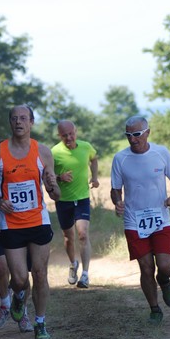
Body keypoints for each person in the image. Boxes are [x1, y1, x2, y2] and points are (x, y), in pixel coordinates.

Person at [0, 105, 60, 339]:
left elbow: (54, 194)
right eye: (14, 119)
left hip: (38, 220)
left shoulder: (43, 152)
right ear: (10, 123)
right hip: (11, 223)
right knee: (19, 279)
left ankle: (40, 323)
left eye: (23, 118)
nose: (19, 122)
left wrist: (54, 185)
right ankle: (18, 296)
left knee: (40, 273)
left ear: (31, 122)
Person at [110, 116, 170, 324]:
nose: (132, 139)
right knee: (146, 267)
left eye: (136, 134)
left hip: (160, 218)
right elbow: (115, 189)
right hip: (134, 220)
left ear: (147, 132)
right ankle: (155, 309)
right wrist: (118, 202)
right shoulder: (120, 158)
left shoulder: (161, 153)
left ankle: (164, 280)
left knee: (165, 265)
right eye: (128, 135)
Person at [0, 141, 34, 333]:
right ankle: (4, 304)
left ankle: (22, 310)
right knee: (0, 266)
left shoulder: (18, 168)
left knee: (22, 277)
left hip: (21, 227)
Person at [51, 120, 99, 288]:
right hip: (63, 201)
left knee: (82, 234)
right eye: (64, 135)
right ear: (59, 136)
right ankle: (73, 264)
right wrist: (59, 178)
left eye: (71, 133)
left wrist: (94, 177)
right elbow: (46, 175)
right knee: (68, 237)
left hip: (82, 198)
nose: (69, 137)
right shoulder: (54, 152)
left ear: (75, 132)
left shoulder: (86, 147)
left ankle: (85, 275)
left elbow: (94, 159)